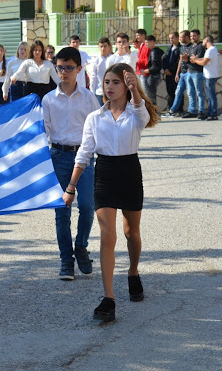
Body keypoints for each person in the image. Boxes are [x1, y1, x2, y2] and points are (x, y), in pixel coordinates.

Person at [63, 63, 159, 322]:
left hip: (129, 172)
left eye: (116, 82)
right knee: (108, 236)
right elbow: (84, 154)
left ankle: (133, 272)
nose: (110, 87)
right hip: (104, 173)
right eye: (107, 82)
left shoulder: (136, 113)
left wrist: (134, 91)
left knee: (131, 232)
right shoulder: (95, 117)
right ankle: (108, 298)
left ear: (127, 85)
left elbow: (145, 116)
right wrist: (71, 187)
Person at [42, 47, 99, 281]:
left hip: (83, 158)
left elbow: (99, 127)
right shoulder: (48, 99)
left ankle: (81, 246)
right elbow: (41, 131)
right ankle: (66, 260)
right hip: (58, 156)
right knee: (61, 210)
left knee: (87, 206)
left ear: (79, 69)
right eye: (59, 68)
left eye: (68, 68)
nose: (63, 72)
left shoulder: (88, 98)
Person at [191, 35, 221, 121]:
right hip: (209, 75)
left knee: (211, 96)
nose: (202, 43)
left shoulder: (210, 50)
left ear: (207, 40)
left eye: (203, 41)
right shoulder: (212, 49)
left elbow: (204, 62)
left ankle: (213, 113)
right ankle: (210, 112)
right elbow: (204, 58)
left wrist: (195, 60)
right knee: (209, 95)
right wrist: (197, 58)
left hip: (210, 76)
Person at [168, 31, 193, 117]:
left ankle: (191, 110)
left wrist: (187, 59)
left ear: (186, 37)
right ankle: (173, 110)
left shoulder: (192, 47)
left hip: (190, 73)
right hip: (182, 73)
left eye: (181, 37)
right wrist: (177, 73)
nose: (180, 39)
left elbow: (192, 60)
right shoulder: (182, 48)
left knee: (190, 92)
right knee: (178, 92)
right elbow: (180, 61)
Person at [184, 29, 206, 119]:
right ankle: (191, 110)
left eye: (194, 36)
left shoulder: (201, 47)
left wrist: (191, 59)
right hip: (189, 72)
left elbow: (198, 59)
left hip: (197, 72)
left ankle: (201, 110)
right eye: (191, 36)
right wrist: (188, 59)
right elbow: (191, 59)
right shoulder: (192, 47)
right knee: (190, 92)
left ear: (199, 36)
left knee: (199, 92)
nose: (192, 38)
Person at [141, 35, 164, 107]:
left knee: (151, 95)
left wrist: (145, 71)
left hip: (153, 76)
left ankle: (153, 110)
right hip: (154, 75)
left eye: (147, 42)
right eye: (145, 42)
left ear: (153, 42)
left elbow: (155, 66)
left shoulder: (154, 52)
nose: (146, 44)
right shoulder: (156, 51)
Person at [89, 37, 112, 106]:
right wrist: (92, 92)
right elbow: (93, 77)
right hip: (99, 92)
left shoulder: (113, 58)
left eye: (105, 46)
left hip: (111, 91)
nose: (103, 48)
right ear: (99, 47)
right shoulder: (96, 60)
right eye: (101, 46)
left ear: (108, 46)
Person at [162, 32, 181, 113]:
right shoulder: (169, 48)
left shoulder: (180, 48)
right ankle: (171, 108)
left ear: (177, 38)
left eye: (173, 38)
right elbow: (165, 59)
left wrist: (171, 70)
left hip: (175, 73)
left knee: (177, 92)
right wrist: (165, 69)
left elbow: (178, 62)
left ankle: (178, 109)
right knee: (170, 92)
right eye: (170, 38)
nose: (171, 40)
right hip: (168, 74)